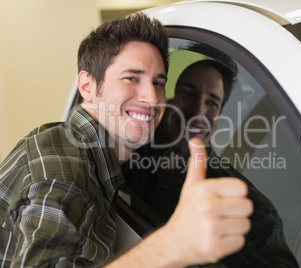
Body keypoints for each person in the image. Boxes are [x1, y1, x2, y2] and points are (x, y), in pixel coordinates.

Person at [0, 13, 253, 267]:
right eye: (132, 78)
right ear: (87, 86)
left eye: (158, 83)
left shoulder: (89, 149)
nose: (152, 99)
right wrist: (170, 244)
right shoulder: (64, 173)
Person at [124, 59, 299, 267]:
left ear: (218, 119)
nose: (197, 111)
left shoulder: (246, 202)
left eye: (212, 103)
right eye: (188, 93)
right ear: (169, 100)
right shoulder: (132, 148)